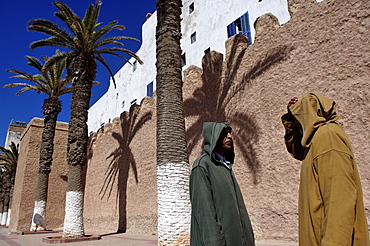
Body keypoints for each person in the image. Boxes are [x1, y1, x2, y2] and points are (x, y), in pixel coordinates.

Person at [282, 92, 370, 246]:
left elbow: (340, 202)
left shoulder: (328, 138)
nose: (297, 123)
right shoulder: (315, 140)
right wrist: (291, 122)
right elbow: (296, 150)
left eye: (299, 117)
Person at [189, 121, 255, 246]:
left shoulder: (225, 167)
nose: (229, 137)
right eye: (223, 134)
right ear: (213, 138)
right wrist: (215, 242)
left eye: (229, 133)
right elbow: (204, 213)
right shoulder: (202, 166)